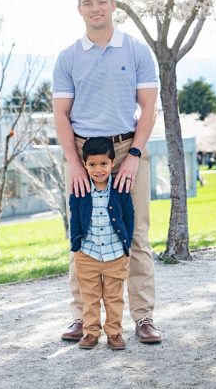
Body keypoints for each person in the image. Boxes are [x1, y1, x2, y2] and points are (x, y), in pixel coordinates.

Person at [53, 0, 163, 344]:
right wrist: (73, 162)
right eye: (88, 3)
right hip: (84, 153)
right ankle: (81, 318)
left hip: (128, 147)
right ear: (79, 9)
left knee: (137, 234)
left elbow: (149, 107)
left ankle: (144, 317)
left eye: (102, 1)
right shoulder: (68, 57)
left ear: (114, 5)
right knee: (82, 234)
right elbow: (61, 115)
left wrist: (133, 155)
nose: (95, 8)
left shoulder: (136, 51)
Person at [69, 137, 134, 350]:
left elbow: (129, 217)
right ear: (85, 165)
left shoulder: (120, 189)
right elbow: (75, 219)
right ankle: (90, 333)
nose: (98, 169)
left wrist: (126, 246)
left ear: (112, 163)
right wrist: (77, 246)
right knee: (89, 297)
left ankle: (114, 333)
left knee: (114, 298)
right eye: (92, 164)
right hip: (87, 254)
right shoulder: (79, 189)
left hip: (115, 254)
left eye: (104, 164)